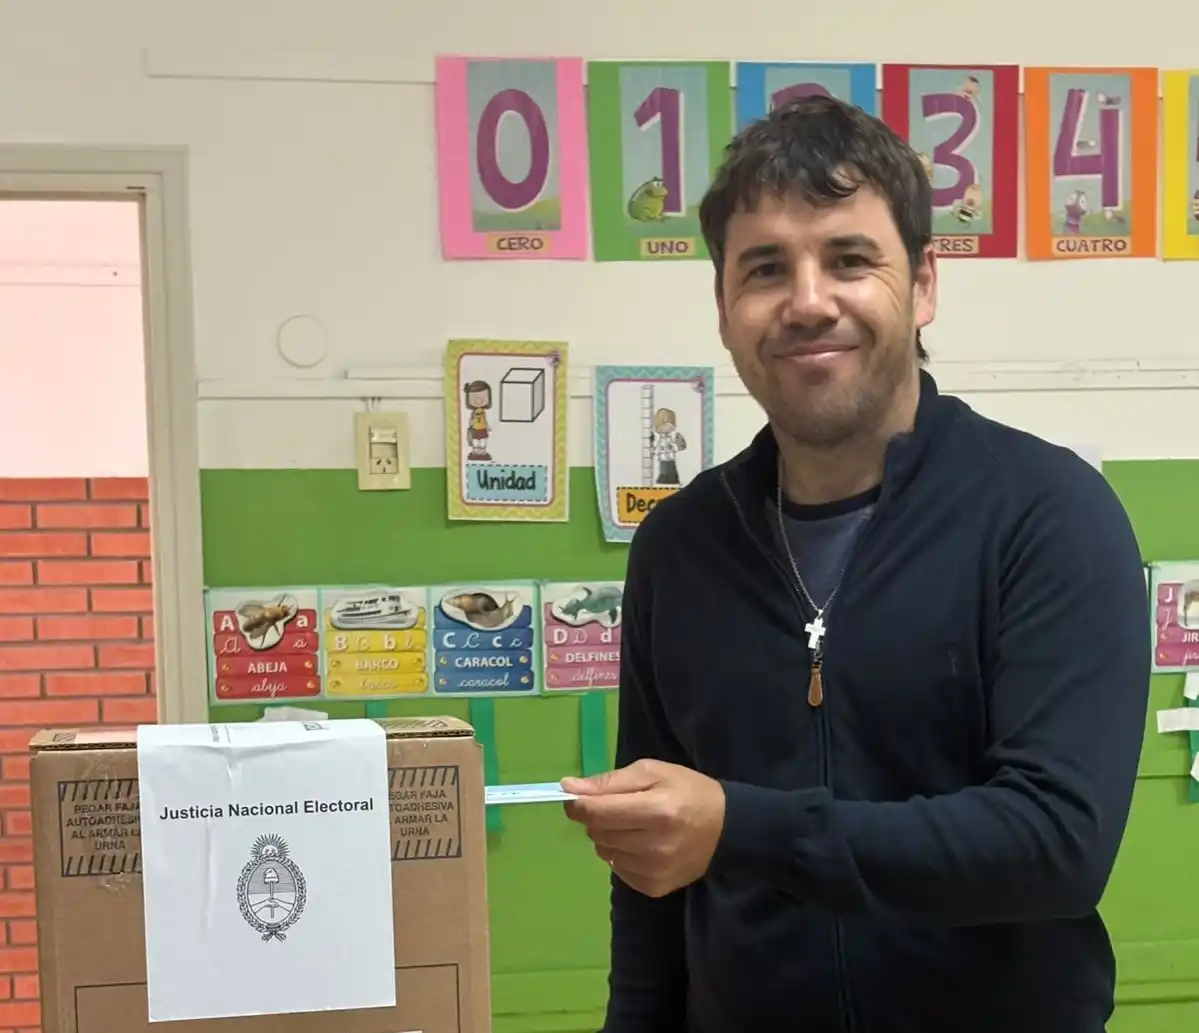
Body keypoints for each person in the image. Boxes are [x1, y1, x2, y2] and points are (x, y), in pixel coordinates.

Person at [562, 96, 1149, 1033]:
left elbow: (1055, 843)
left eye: (847, 259)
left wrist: (738, 828)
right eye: (764, 269)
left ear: (920, 285)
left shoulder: (1046, 513)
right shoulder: (679, 544)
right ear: (722, 308)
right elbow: (651, 881)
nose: (805, 300)